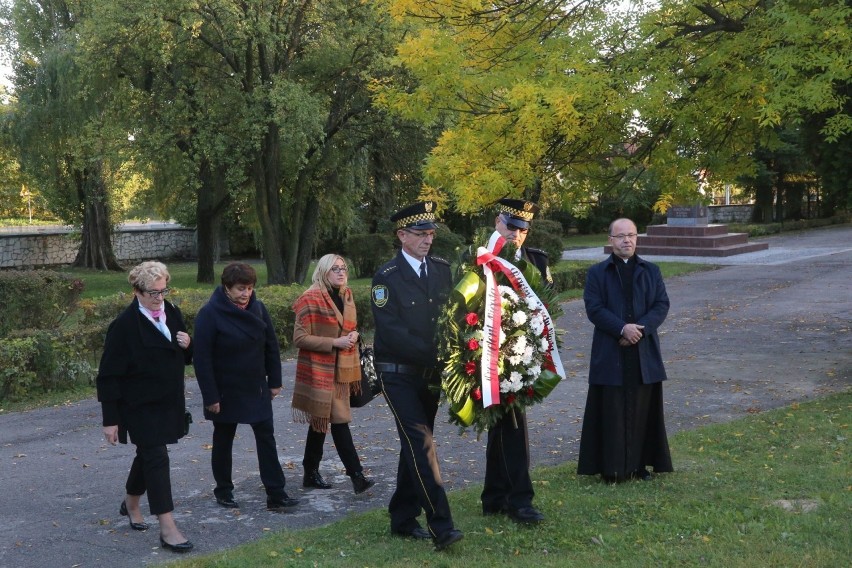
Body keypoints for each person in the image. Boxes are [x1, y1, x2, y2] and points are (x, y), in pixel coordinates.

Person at [371, 201, 463, 551]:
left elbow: (453, 314)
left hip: (431, 376)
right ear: (401, 236)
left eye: (430, 234)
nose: (427, 240)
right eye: (420, 234)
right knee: (422, 444)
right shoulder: (386, 278)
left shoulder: (441, 270)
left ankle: (402, 517)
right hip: (397, 375)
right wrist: (438, 353)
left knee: (415, 445)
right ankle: (443, 525)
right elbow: (392, 333)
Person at [96, 261, 194, 553]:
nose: (159, 298)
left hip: (168, 402)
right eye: (153, 293)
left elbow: (182, 357)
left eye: (163, 291)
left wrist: (189, 345)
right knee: (156, 456)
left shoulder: (172, 312)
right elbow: (108, 376)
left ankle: (131, 503)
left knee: (148, 454)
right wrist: (110, 420)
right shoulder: (124, 326)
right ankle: (168, 527)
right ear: (137, 291)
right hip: (138, 406)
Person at [193, 262, 300, 511]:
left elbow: (270, 346)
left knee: (266, 437)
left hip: (255, 386)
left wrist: (274, 381)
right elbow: (202, 359)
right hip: (225, 389)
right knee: (223, 438)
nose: (246, 294)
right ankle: (223, 490)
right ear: (227, 288)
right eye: (241, 288)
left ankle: (276, 493)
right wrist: (211, 396)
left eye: (250, 288)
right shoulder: (210, 313)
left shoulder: (258, 309)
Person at [577, 217, 673, 482]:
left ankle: (640, 465)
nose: (626, 240)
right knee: (612, 411)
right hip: (610, 352)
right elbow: (594, 308)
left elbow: (661, 305)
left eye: (631, 235)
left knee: (643, 409)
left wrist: (637, 331)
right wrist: (622, 329)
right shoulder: (597, 273)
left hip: (643, 352)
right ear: (610, 240)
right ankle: (612, 469)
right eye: (620, 236)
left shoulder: (651, 271)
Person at [480, 198, 552, 525]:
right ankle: (519, 501)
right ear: (498, 222)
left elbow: (547, 308)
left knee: (506, 425)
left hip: (522, 356)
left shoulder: (535, 262)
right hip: (488, 357)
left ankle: (494, 496)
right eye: (511, 227)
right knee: (510, 427)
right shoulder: (481, 258)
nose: (516, 235)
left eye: (522, 229)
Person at [291, 254, 376, 494]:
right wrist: (334, 342)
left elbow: (351, 328)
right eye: (335, 269)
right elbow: (299, 338)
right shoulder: (309, 299)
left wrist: (355, 336)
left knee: (321, 422)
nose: (341, 272)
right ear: (323, 271)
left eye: (344, 268)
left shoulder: (346, 296)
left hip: (342, 371)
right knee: (339, 421)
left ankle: (310, 472)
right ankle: (356, 476)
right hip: (319, 369)